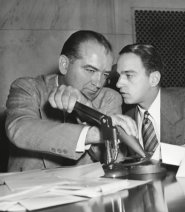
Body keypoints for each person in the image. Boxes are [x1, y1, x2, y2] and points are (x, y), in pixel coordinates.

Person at [5, 30, 137, 172]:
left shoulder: (110, 98)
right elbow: (20, 130)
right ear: (64, 64)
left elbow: (115, 160)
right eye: (90, 70)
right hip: (26, 190)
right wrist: (98, 133)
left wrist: (86, 108)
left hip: (87, 190)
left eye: (105, 74)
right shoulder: (29, 88)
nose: (98, 83)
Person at [115, 43, 185, 158]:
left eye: (129, 75)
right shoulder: (126, 120)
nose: (118, 83)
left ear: (154, 79)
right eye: (119, 75)